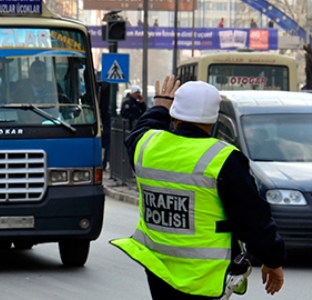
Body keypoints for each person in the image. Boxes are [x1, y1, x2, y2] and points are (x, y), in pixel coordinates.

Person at [110, 75, 285, 299]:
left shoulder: (146, 147)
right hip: (204, 276)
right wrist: (272, 259)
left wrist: (160, 106)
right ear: (213, 120)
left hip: (158, 268)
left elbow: (142, 129)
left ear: (175, 114)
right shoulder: (223, 159)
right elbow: (252, 218)